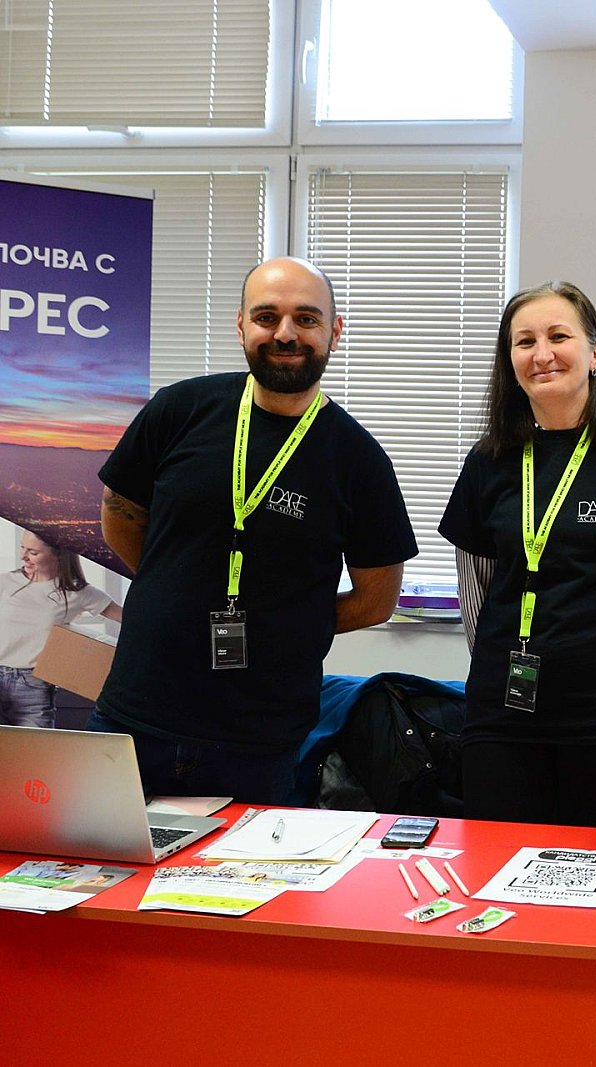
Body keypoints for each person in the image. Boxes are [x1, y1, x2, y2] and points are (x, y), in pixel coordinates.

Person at [93, 256, 416, 803]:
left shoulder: (358, 459)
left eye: (306, 319)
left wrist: (288, 627)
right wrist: (173, 587)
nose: (285, 333)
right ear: (241, 325)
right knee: (93, 857)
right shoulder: (180, 409)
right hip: (135, 716)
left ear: (335, 331)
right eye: (267, 317)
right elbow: (119, 515)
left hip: (260, 741)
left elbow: (375, 601)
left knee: (241, 864)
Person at [439, 281, 596, 830]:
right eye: (524, 341)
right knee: (498, 866)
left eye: (559, 336)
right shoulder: (487, 462)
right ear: (510, 362)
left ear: (595, 353)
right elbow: (476, 597)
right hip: (504, 716)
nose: (542, 354)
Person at [1, 530, 122, 728]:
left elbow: (131, 620)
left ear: (58, 554)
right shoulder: (5, 582)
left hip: (34, 685)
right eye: (22, 548)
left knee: (34, 745)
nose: (23, 556)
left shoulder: (77, 592)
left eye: (33, 552)